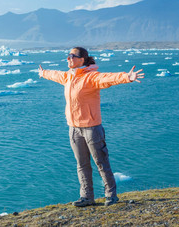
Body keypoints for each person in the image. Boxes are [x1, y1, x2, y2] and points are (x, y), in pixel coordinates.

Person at [38, 47, 144, 207]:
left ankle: (111, 196)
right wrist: (43, 73)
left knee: (101, 162)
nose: (69, 59)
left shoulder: (91, 77)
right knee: (82, 164)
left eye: (73, 56)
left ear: (82, 59)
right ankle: (87, 197)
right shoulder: (68, 77)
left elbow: (108, 78)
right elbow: (55, 74)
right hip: (74, 129)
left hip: (92, 128)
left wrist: (127, 77)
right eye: (68, 56)